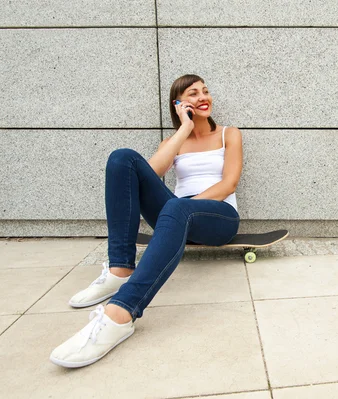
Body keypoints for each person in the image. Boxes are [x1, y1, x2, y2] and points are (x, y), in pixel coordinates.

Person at [50, 75, 243, 368]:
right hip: (175, 216)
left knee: (178, 208)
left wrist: (182, 207)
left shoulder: (230, 133)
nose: (204, 97)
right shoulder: (173, 140)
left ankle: (120, 314)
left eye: (206, 91)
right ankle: (119, 270)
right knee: (122, 159)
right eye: (193, 93)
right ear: (178, 104)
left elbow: (229, 183)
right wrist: (185, 129)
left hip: (217, 216)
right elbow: (145, 178)